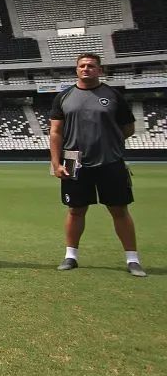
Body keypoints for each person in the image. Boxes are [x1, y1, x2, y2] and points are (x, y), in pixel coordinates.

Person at [50, 53, 145, 277]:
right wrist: (56, 163)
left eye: (91, 66)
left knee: (119, 210)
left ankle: (133, 259)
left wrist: (108, 140)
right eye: (82, 66)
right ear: (76, 70)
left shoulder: (113, 96)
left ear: (99, 70)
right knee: (75, 210)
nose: (86, 69)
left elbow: (128, 128)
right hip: (73, 160)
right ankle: (71, 256)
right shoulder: (64, 97)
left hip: (110, 159)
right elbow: (55, 132)